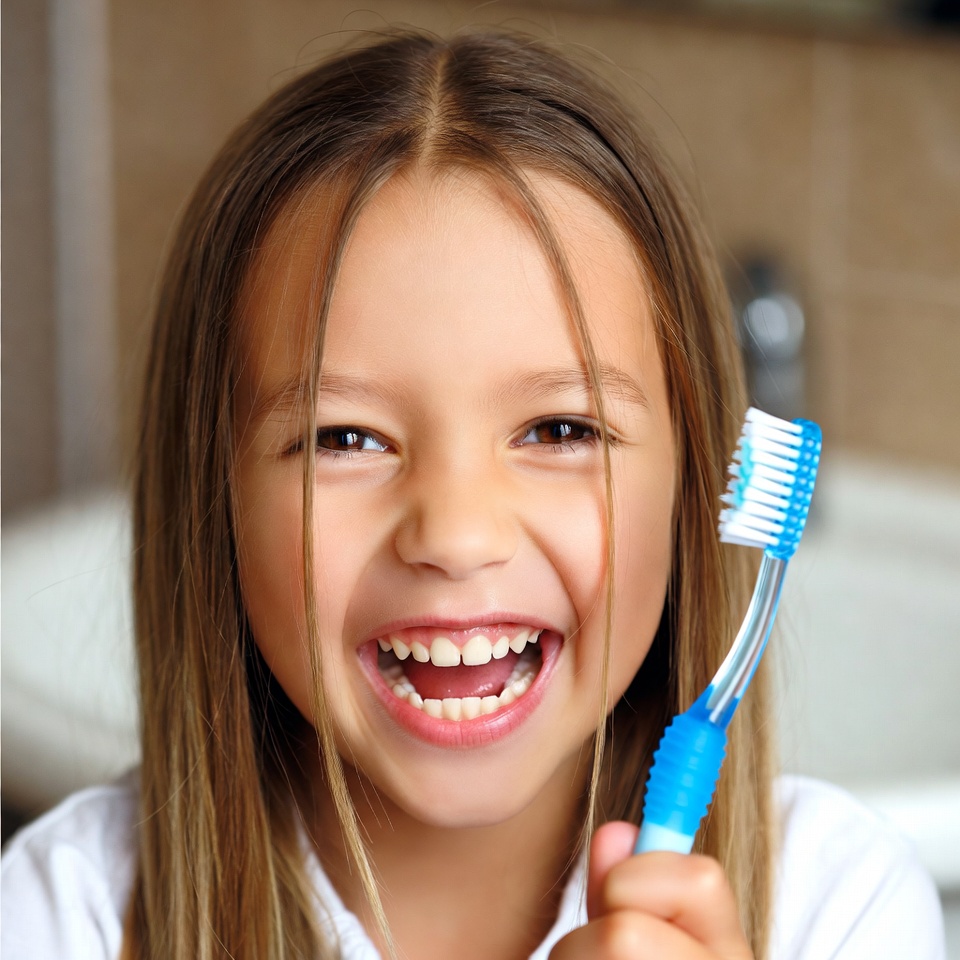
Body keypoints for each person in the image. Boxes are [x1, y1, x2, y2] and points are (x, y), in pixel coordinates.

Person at [1, 29, 945, 960]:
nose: (455, 535)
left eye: (560, 431)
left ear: (694, 485)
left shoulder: (840, 908)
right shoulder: (62, 915)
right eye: (346, 439)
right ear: (216, 500)